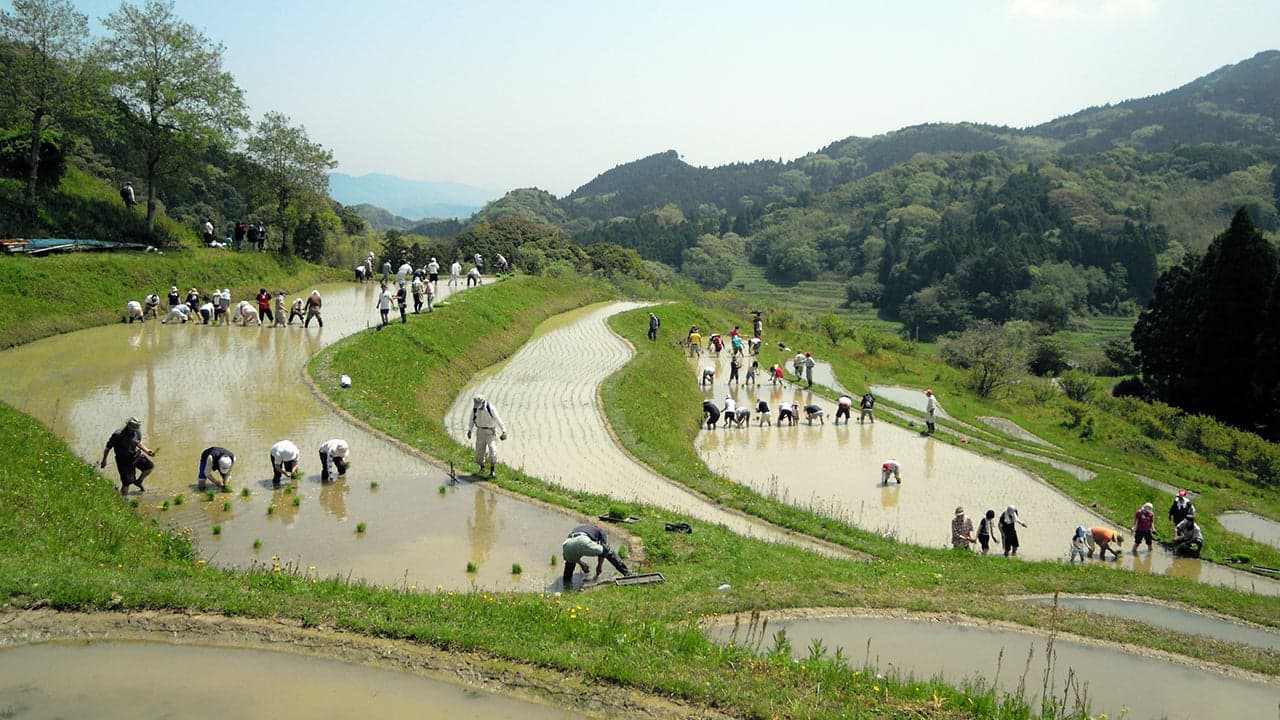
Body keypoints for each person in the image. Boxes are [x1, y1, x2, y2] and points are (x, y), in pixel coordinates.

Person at [561, 523, 630, 588]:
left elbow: (574, 549)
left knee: (570, 563)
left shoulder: (580, 528)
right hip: (583, 540)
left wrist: (582, 564)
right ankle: (627, 573)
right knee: (607, 550)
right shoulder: (600, 531)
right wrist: (599, 566)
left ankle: (566, 586)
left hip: (567, 544)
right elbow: (604, 550)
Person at [100, 416, 155, 495]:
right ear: (128, 426)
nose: (134, 430)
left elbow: (138, 442)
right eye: (132, 428)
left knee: (149, 467)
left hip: (135, 455)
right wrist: (104, 460)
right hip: (123, 460)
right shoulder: (118, 434)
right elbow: (108, 448)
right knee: (127, 483)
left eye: (136, 428)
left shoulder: (137, 432)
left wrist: (147, 450)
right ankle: (122, 499)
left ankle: (139, 481)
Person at [466, 395, 507, 478]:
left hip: (490, 432)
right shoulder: (475, 409)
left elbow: (498, 420)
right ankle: (482, 468)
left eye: (479, 405)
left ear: (483, 402)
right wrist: (469, 430)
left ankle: (492, 471)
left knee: (493, 450)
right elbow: (471, 420)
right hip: (480, 432)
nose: (478, 407)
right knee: (479, 454)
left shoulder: (491, 408)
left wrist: (504, 431)